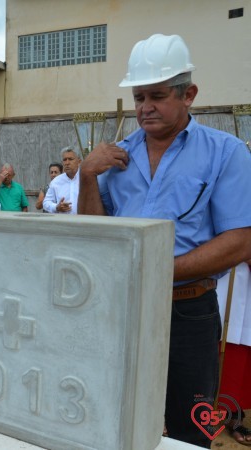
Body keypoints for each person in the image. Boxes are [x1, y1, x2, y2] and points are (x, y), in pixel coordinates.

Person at [77, 34, 251, 448]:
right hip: (121, 308)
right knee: (112, 412)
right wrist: (86, 175)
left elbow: (240, 241)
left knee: (190, 427)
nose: (144, 107)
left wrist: (156, 270)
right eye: (139, 97)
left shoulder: (225, 153)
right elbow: (92, 235)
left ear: (188, 94)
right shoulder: (116, 156)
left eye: (156, 95)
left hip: (189, 311)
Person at [216, 260, 251, 445]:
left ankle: (232, 412)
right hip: (217, 266)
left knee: (241, 346)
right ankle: (176, 410)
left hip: (246, 279)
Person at [43, 147, 81, 214]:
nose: (67, 163)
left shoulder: (85, 179)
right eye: (64, 160)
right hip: (63, 223)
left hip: (84, 222)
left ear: (79, 162)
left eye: (70, 159)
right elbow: (46, 202)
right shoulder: (55, 182)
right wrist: (56, 207)